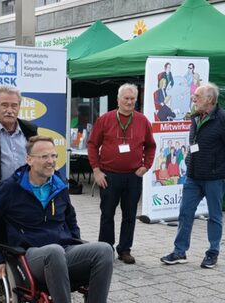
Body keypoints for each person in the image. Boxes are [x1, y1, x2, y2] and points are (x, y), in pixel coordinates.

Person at [0, 135, 123, 303]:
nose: (51, 161)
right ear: (29, 160)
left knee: (103, 249)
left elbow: (70, 219)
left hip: (63, 251)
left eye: (54, 156)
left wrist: (75, 241)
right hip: (30, 257)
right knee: (53, 251)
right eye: (44, 156)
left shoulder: (59, 184)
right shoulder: (10, 188)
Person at [88, 83, 156, 264]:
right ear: (118, 99)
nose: (129, 102)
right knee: (107, 213)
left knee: (130, 215)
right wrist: (96, 170)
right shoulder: (105, 119)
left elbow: (150, 146)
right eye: (126, 98)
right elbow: (92, 144)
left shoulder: (143, 121)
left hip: (133, 176)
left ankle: (125, 249)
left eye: (133, 98)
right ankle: (105, 249)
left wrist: (146, 166)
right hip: (109, 175)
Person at [161, 83, 225, 269]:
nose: (193, 98)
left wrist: (219, 169)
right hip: (193, 176)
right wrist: (189, 162)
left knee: (214, 216)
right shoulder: (196, 116)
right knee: (185, 213)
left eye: (197, 96)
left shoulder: (221, 118)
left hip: (214, 177)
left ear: (210, 100)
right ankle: (179, 251)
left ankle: (212, 253)